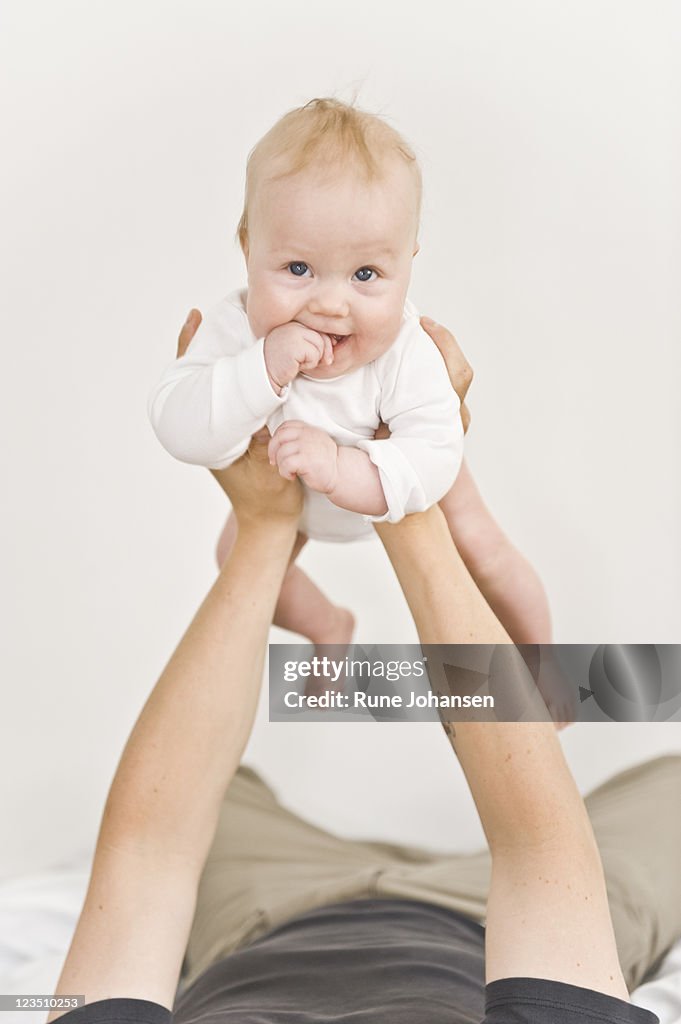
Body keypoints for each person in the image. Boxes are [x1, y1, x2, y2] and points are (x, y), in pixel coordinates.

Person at [46, 314, 680, 1023]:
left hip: (265, 906)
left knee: (220, 793)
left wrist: (262, 526)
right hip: (483, 923)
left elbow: (151, 854)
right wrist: (406, 489)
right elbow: (537, 851)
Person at [148, 98, 571, 720]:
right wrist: (258, 370)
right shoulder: (235, 330)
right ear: (247, 249)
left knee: (485, 550)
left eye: (366, 274)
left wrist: (344, 468)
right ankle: (328, 628)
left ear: (407, 263)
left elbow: (432, 452)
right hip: (287, 498)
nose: (330, 303)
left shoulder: (406, 348)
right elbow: (176, 423)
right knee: (230, 559)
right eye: (298, 268)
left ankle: (547, 669)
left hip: (389, 479)